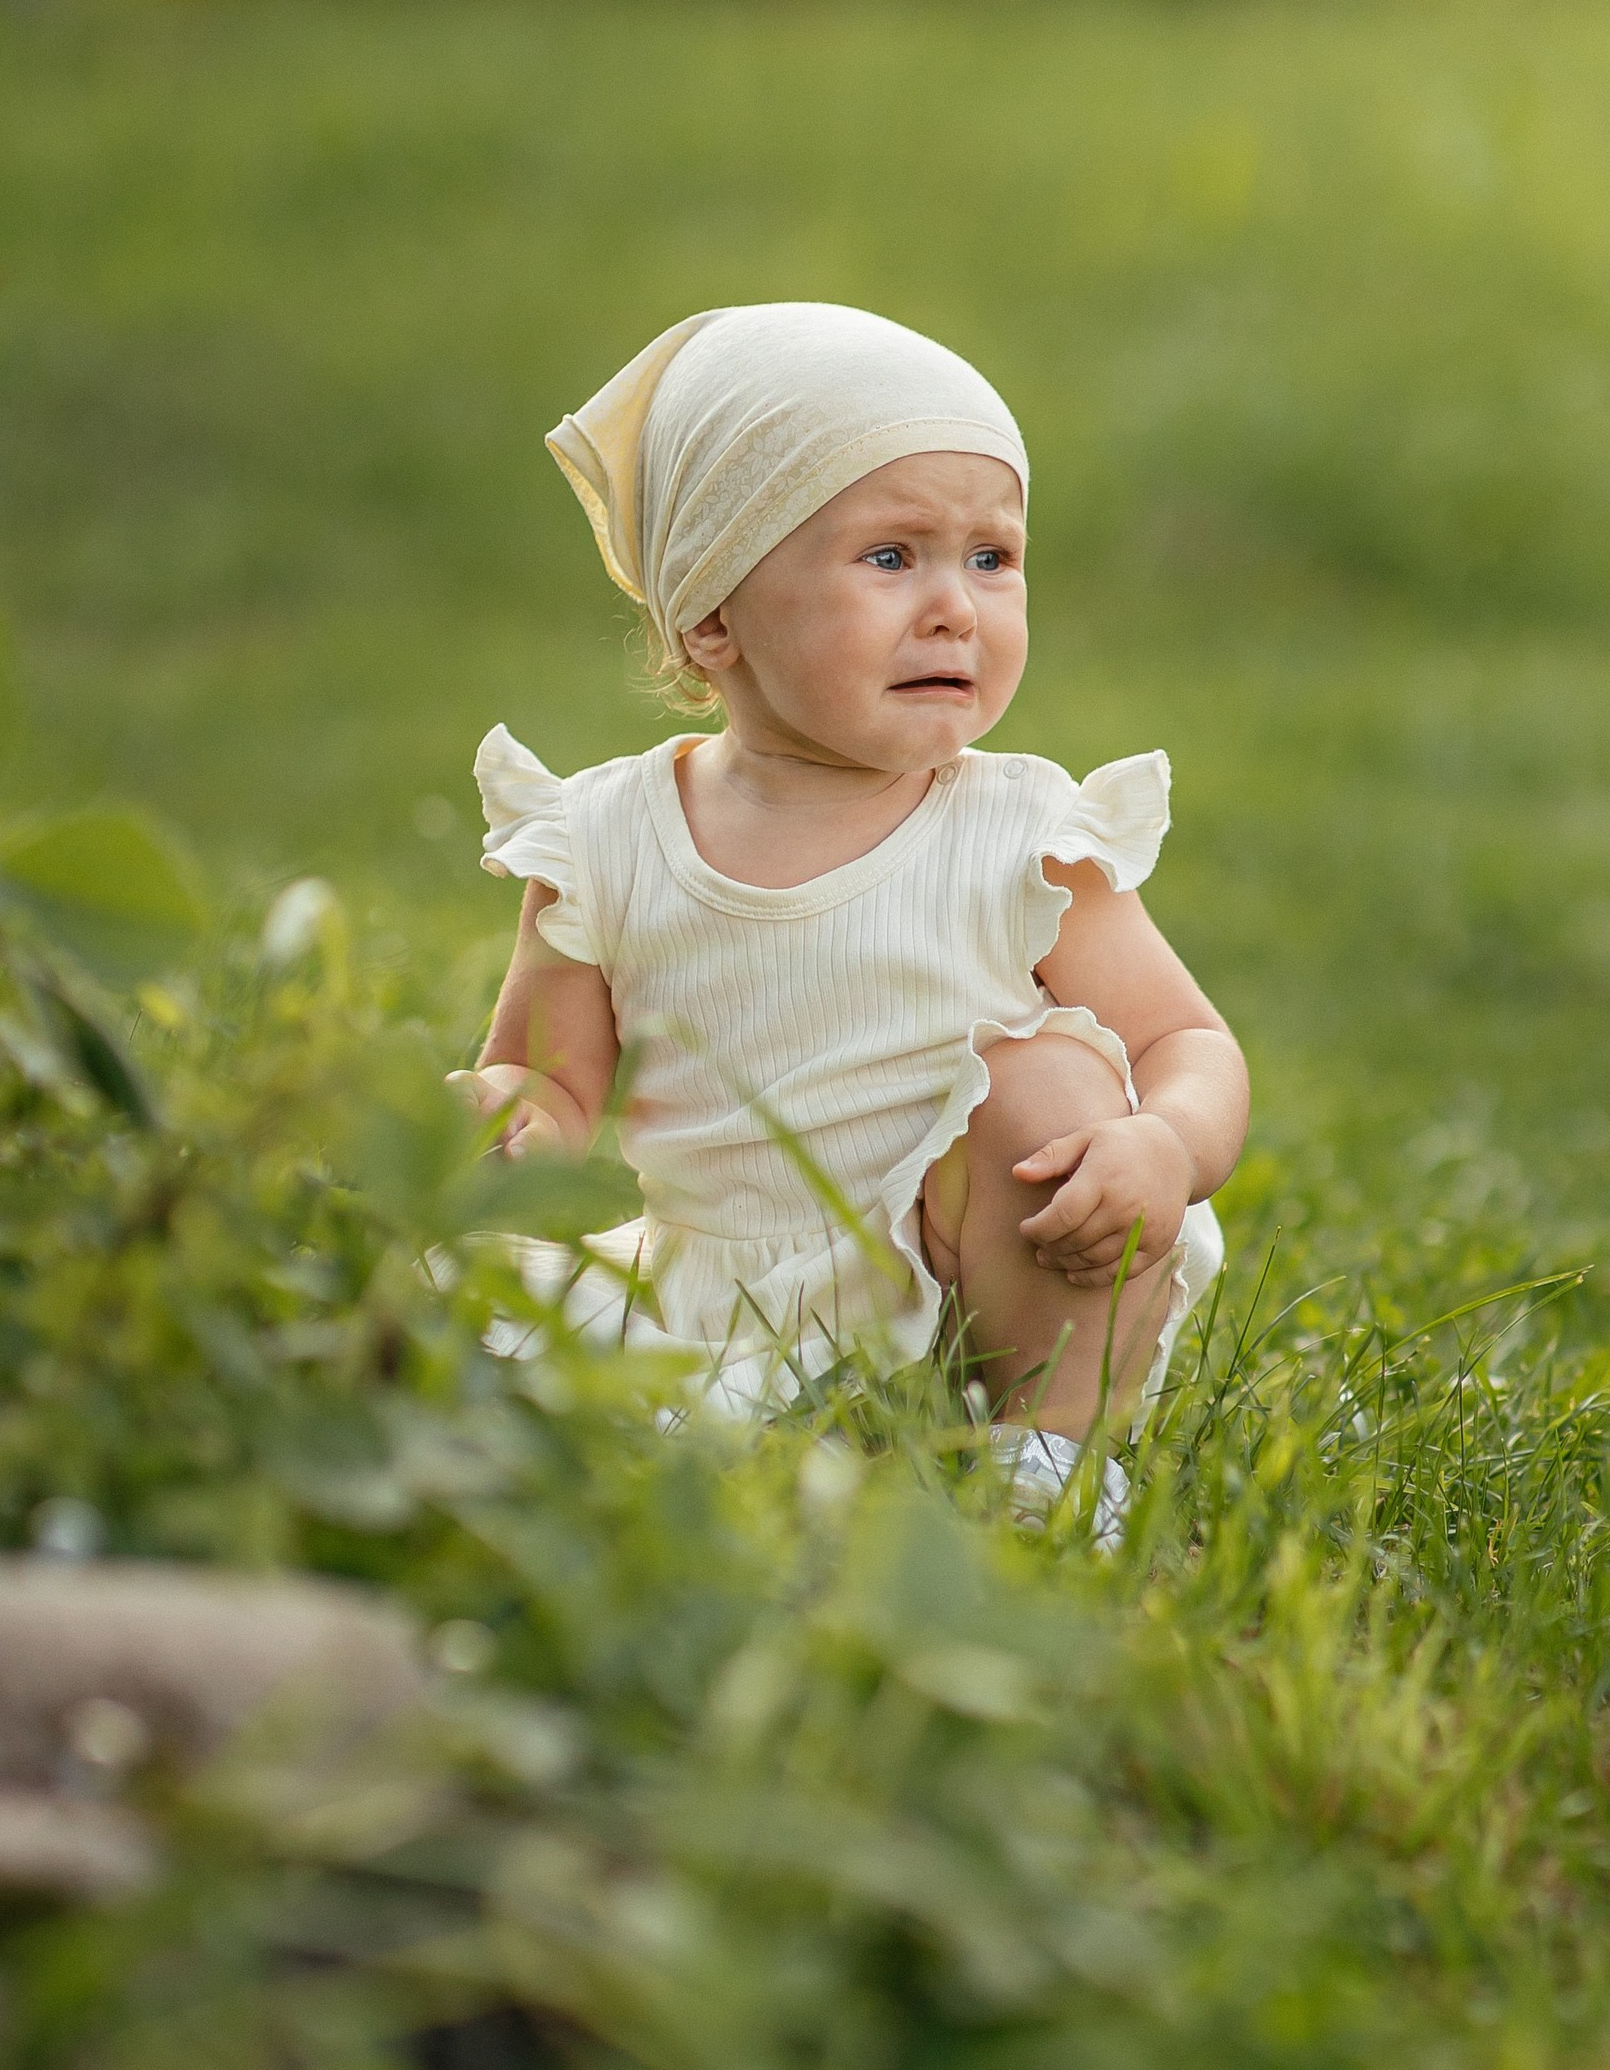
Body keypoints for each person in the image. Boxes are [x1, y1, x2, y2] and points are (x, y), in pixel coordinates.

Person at [450, 302, 1248, 1537]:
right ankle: (723, 1411)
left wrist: (1170, 1148)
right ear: (711, 615)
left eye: (991, 558)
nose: (954, 608)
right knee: (447, 1324)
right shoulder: (605, 842)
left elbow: (1184, 1048)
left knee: (1048, 1087)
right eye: (891, 558)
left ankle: (1043, 1451)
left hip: (979, 1278)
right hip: (722, 1294)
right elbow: (549, 1080)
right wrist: (512, 1118)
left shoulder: (1020, 836)